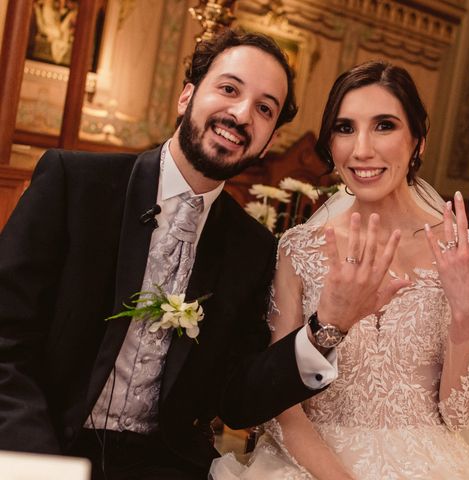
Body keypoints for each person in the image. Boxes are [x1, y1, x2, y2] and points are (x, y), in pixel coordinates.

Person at [0, 31, 405, 480]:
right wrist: (37, 465)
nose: (240, 114)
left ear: (267, 142)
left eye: (264, 109)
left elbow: (238, 400)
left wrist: (327, 327)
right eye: (229, 89)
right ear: (187, 96)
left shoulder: (251, 247)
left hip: (164, 465)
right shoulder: (74, 185)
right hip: (42, 444)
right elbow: (5, 342)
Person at [210, 61, 469, 479]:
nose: (361, 150)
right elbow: (278, 403)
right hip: (314, 465)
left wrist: (466, 316)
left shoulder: (462, 252)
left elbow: (460, 414)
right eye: (345, 128)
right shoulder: (299, 251)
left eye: (384, 125)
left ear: (418, 141)